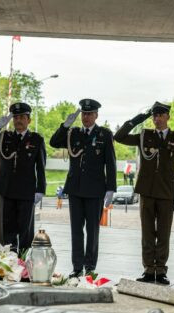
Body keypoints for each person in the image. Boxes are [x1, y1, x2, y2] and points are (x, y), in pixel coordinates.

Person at [114, 101, 174, 285]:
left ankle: (161, 270)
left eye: (161, 115)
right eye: (154, 115)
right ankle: (148, 269)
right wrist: (139, 118)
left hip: (166, 192)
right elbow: (119, 136)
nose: (157, 119)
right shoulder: (144, 135)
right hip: (146, 191)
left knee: (163, 233)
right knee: (147, 233)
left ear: (168, 117)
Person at [49, 99, 116, 278]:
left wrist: (111, 188)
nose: (86, 117)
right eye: (84, 114)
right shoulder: (73, 133)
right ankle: (77, 266)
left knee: (93, 230)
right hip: (75, 189)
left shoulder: (104, 134)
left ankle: (90, 266)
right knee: (76, 230)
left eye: (89, 114)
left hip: (95, 190)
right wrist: (65, 125)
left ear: (96, 115)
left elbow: (110, 162)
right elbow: (54, 142)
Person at [0, 102, 46, 252]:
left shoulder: (36, 140)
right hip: (7, 189)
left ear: (29, 120)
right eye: (15, 117)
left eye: (22, 117)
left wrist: (40, 189)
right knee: (8, 229)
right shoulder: (4, 137)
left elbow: (41, 167)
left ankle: (23, 261)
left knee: (25, 231)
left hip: (26, 191)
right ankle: (9, 260)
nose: (18, 120)